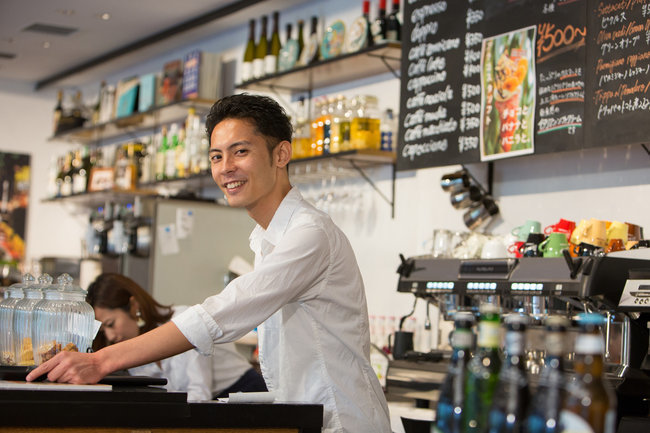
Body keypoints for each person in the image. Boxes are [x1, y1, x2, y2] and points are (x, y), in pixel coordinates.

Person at [28, 93, 391, 433]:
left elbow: (222, 313)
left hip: (342, 421)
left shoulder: (309, 234)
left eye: (240, 152)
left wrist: (102, 361)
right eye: (217, 156)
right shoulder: (266, 238)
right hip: (306, 417)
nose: (225, 168)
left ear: (281, 154)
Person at [86, 273, 267, 401]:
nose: (111, 336)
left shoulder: (182, 321)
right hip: (205, 405)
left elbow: (199, 393)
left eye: (111, 324)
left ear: (133, 306)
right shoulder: (135, 353)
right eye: (104, 332)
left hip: (243, 395)